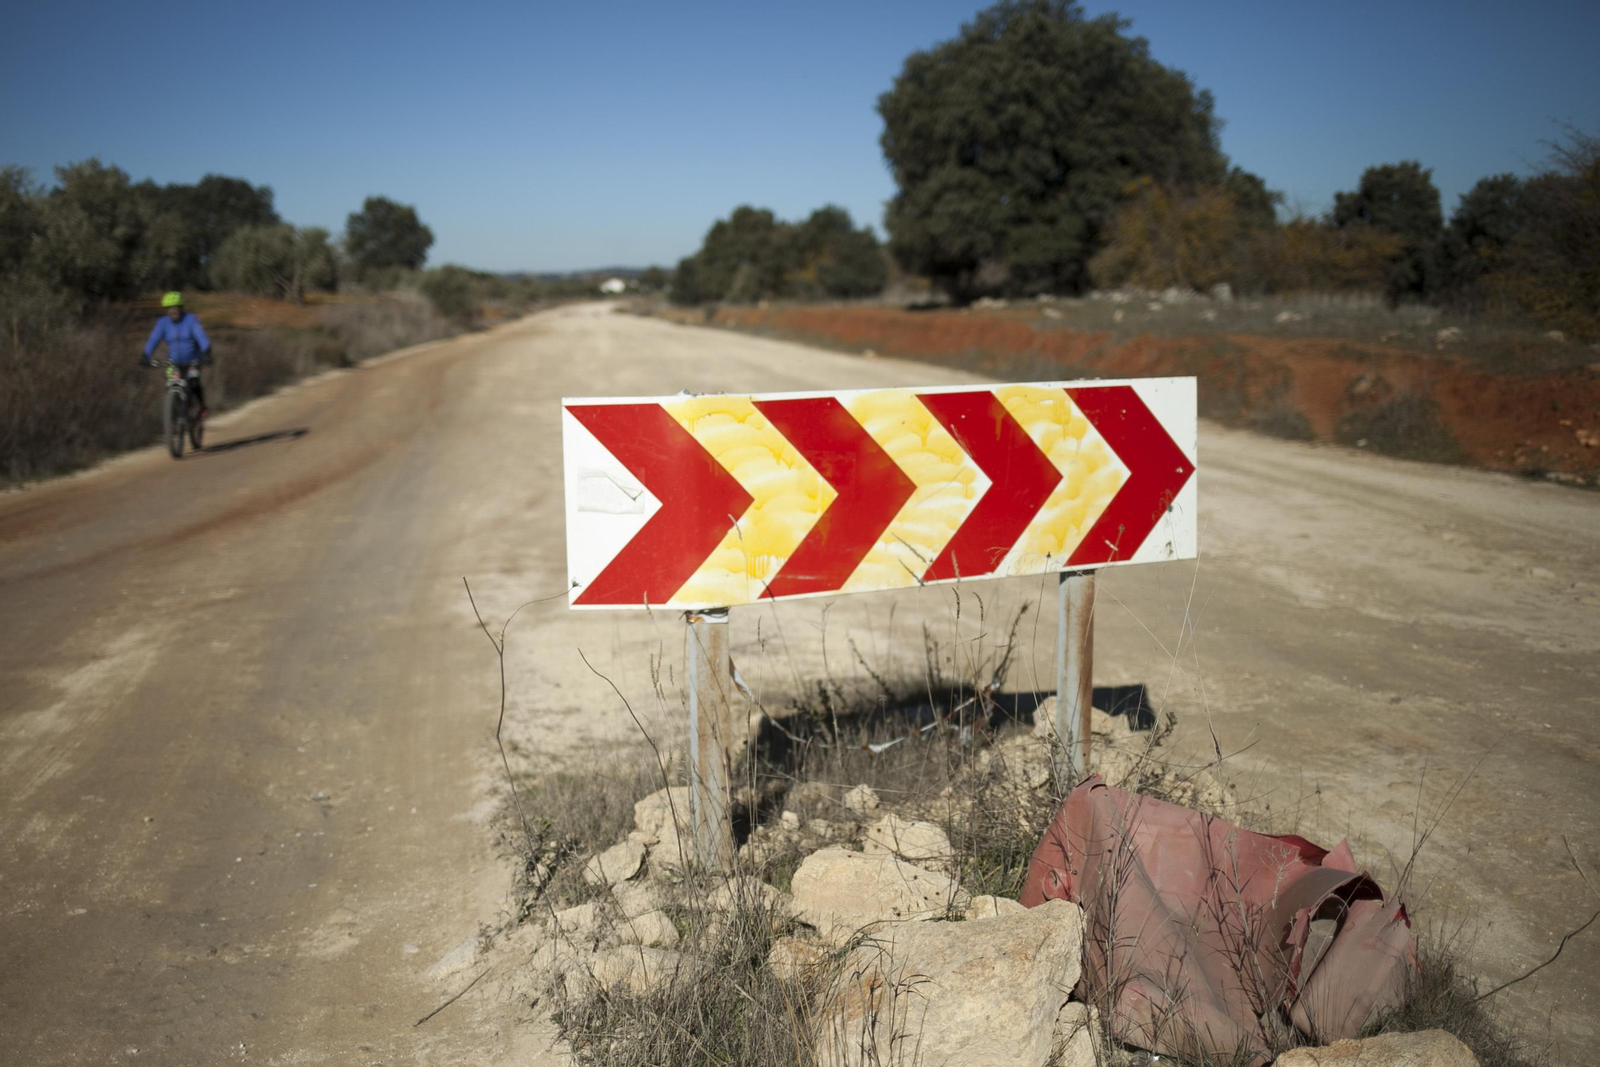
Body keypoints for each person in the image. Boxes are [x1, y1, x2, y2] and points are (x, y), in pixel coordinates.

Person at [140, 291, 212, 415]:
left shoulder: (190, 320)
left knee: (194, 382)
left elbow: (202, 338)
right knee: (170, 385)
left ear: (181, 308)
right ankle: (173, 418)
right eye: (170, 308)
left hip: (193, 361)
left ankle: (201, 406)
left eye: (176, 307)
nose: (173, 311)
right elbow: (153, 339)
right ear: (167, 310)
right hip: (174, 362)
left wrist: (206, 352)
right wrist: (146, 355)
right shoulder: (163, 323)